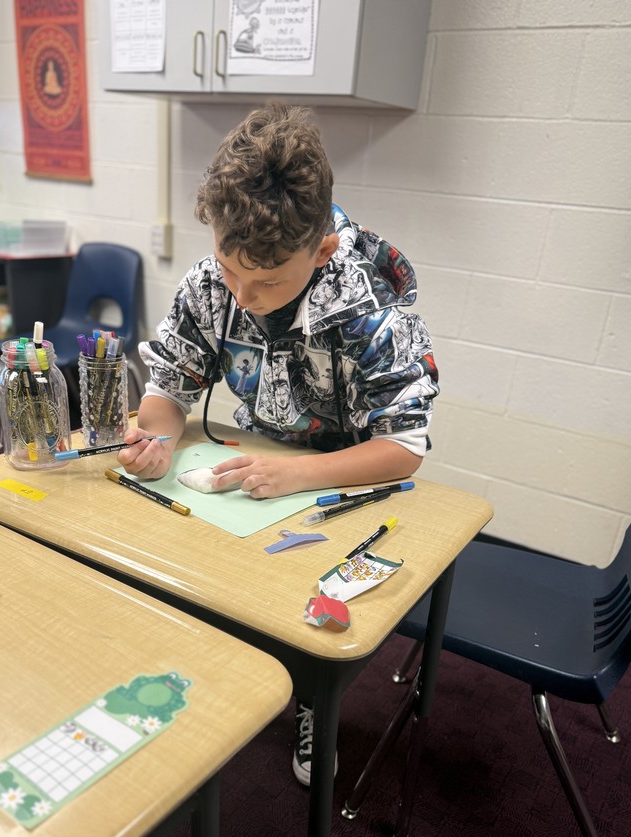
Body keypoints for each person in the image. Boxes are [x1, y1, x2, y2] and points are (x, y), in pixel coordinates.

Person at [118, 103, 439, 785]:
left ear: (321, 252)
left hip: (350, 480)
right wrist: (155, 438)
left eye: (267, 281)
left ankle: (315, 705)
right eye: (231, 273)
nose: (244, 294)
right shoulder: (216, 279)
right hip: (254, 464)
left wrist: (299, 476)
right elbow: (170, 386)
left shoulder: (370, 295)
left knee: (315, 609)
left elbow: (405, 445)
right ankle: (226, 677)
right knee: (196, 563)